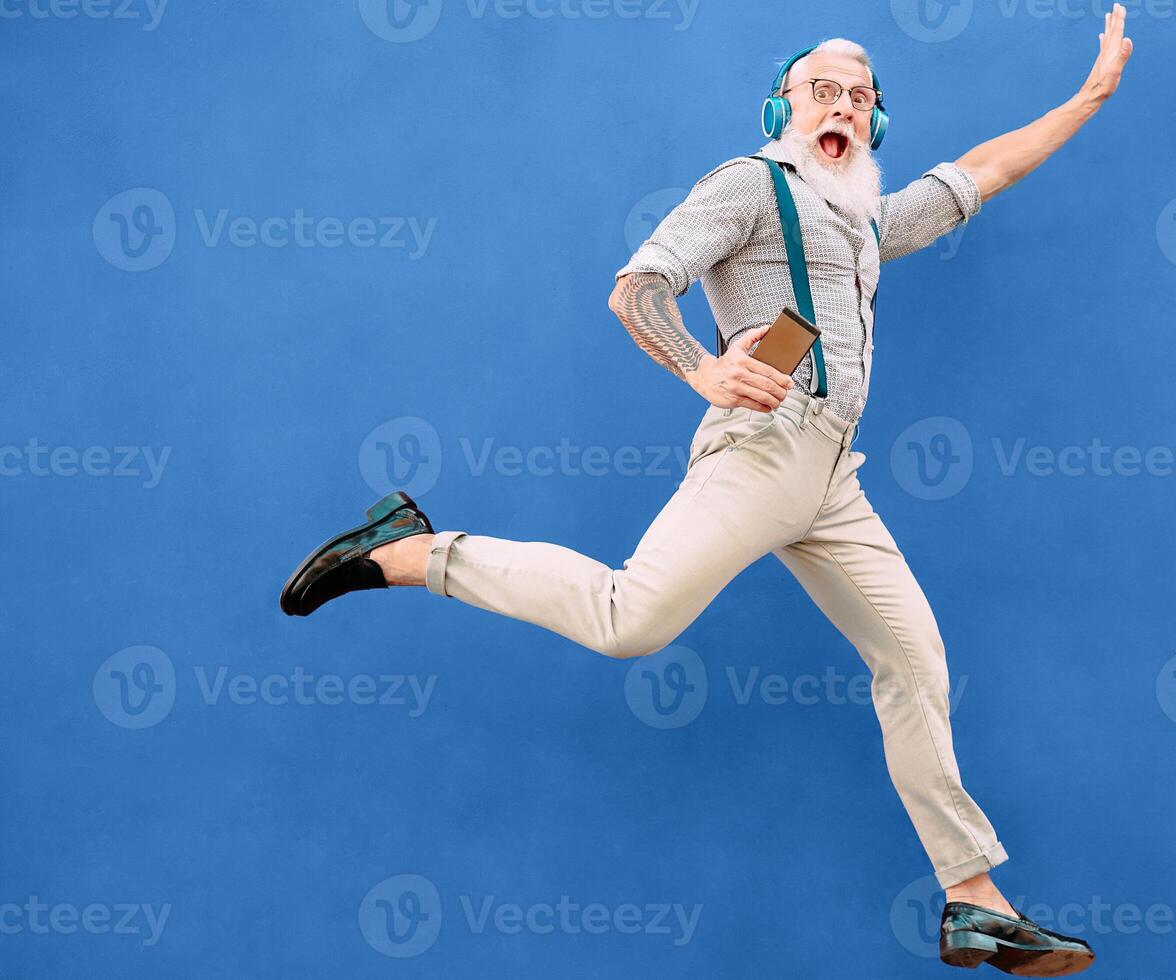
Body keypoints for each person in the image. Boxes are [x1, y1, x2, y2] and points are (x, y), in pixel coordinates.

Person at [281, 12, 1133, 974]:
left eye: (859, 95)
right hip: (762, 449)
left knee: (916, 665)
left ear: (876, 123)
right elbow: (638, 288)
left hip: (832, 480)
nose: (842, 104)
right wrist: (701, 371)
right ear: (783, 107)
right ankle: (408, 549)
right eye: (822, 89)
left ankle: (972, 900)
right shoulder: (750, 186)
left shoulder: (861, 220)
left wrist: (1089, 94)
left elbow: (985, 170)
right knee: (628, 619)